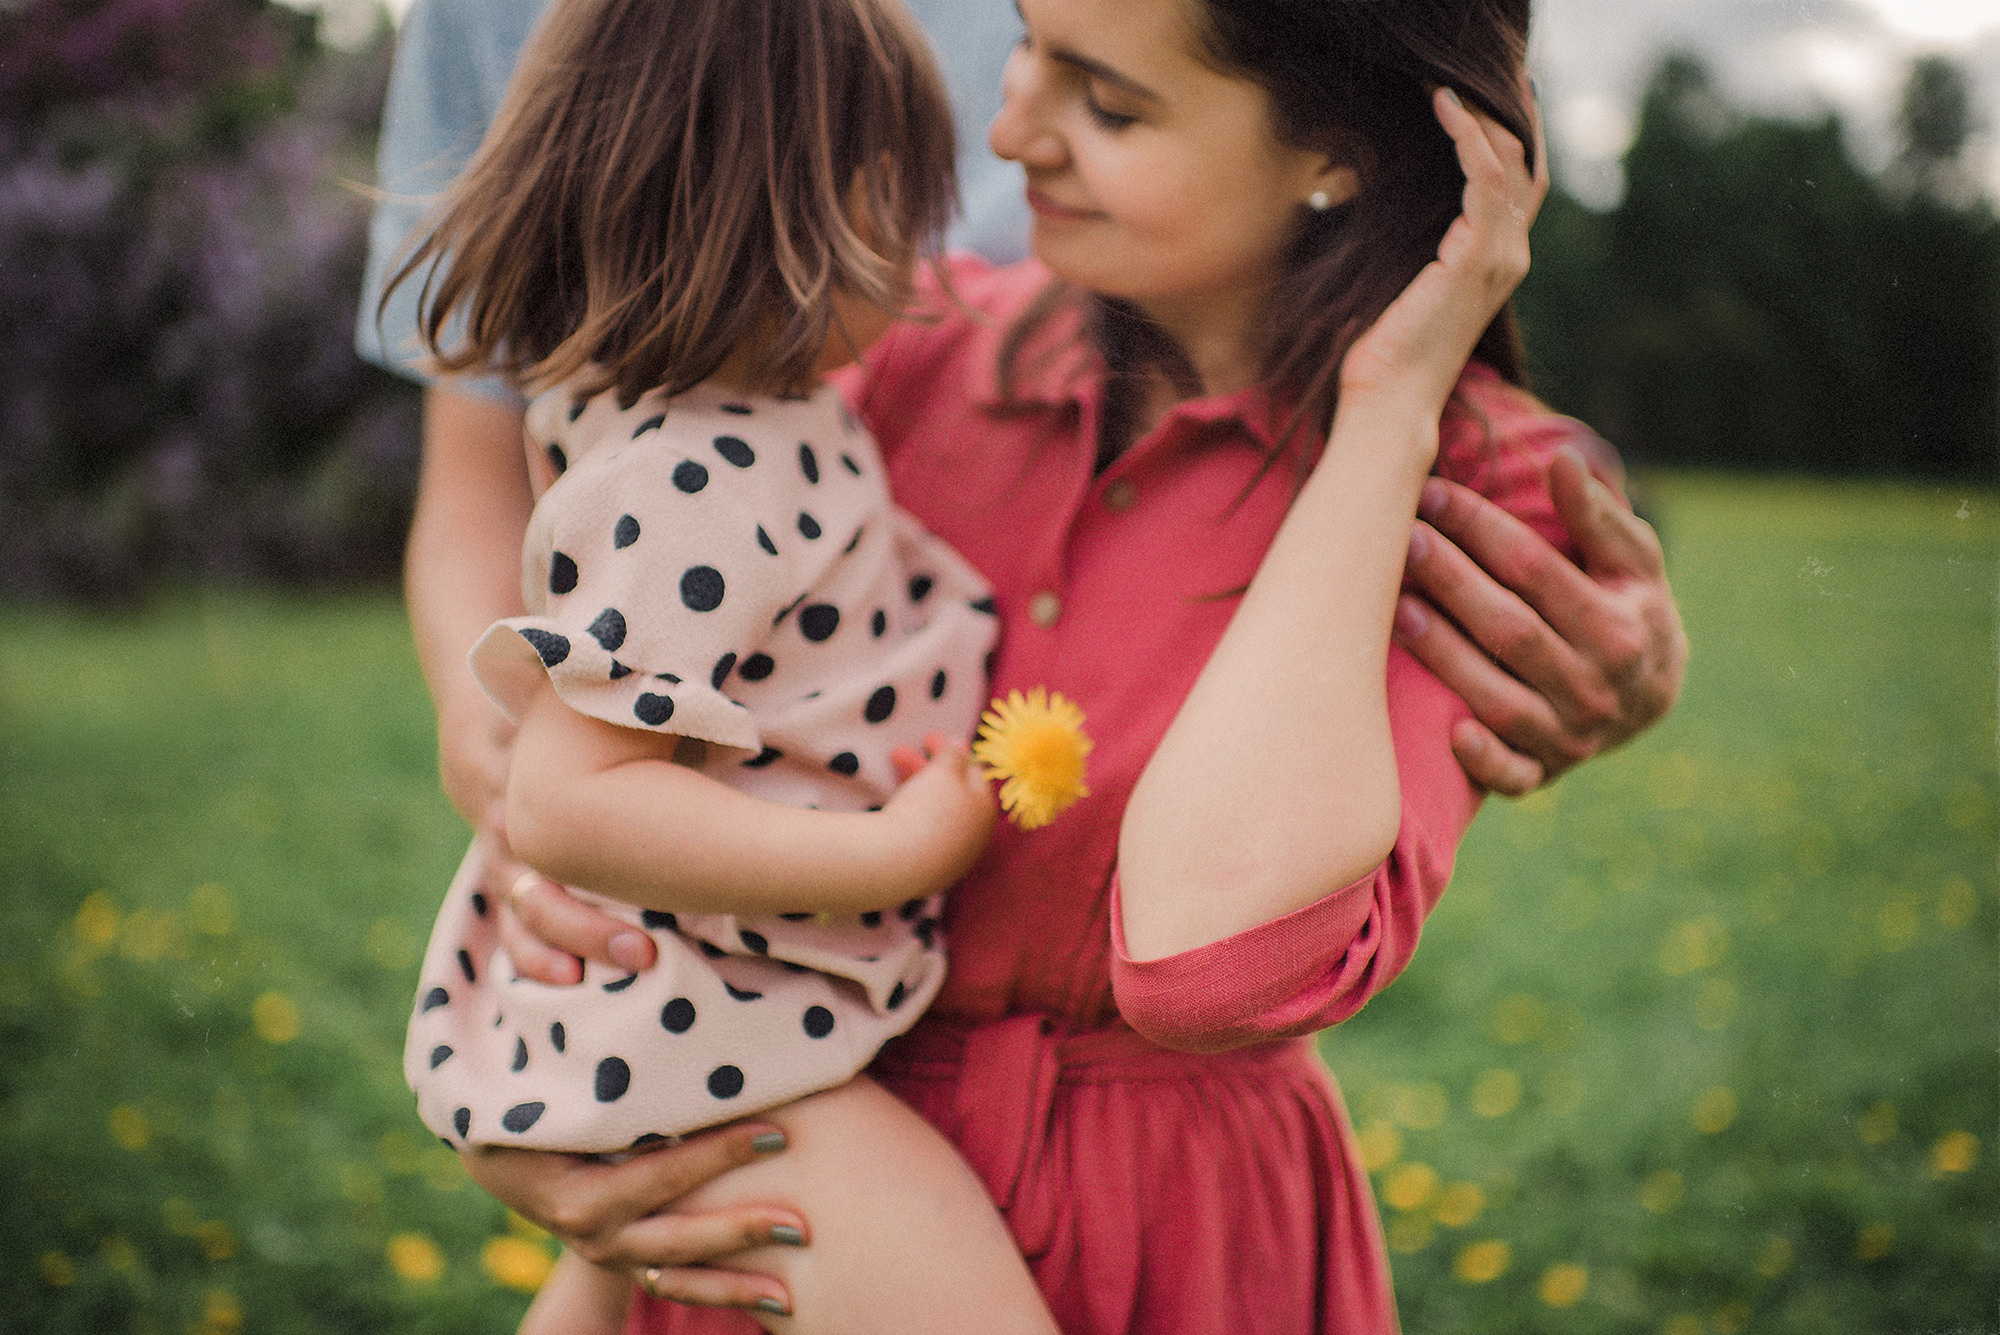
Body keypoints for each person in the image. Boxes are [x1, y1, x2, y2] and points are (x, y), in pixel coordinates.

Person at [360, 0, 1690, 1328]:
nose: (1006, 135)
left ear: (1336, 154)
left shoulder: (1485, 498)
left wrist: (1387, 412)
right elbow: (609, 680)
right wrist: (559, 986)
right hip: (784, 1213)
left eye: (1108, 106)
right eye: (1024, 47)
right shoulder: (905, 345)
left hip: (1169, 1238)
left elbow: (1206, 961)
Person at [382, 0, 1087, 1330]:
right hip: (712, 1005)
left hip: (716, 980)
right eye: (901, 200)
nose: (927, 246)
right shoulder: (693, 479)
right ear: (809, 215)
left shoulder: (742, 419)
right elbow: (568, 800)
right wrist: (896, 856)